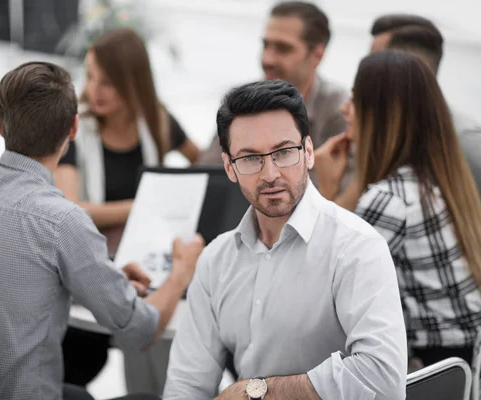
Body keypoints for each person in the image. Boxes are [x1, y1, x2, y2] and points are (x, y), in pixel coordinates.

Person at [0, 61, 204, 400]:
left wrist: (105, 277)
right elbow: (141, 330)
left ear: (0, 124)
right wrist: (182, 269)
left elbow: (10, 274)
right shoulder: (63, 220)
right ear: (74, 128)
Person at [163, 80, 407, 400]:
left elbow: (383, 377)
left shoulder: (357, 247)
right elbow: (186, 386)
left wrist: (259, 393)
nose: (270, 174)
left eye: (283, 152)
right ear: (229, 167)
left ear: (307, 152)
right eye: (250, 158)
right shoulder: (215, 260)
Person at [54, 27, 200, 390]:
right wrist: (143, 205)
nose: (93, 89)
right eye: (90, 76)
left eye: (108, 81)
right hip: (92, 272)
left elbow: (204, 163)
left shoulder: (156, 120)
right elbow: (70, 209)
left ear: (133, 82)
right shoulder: (75, 129)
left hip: (151, 265)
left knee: (171, 347)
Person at [315, 50, 481, 368]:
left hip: (430, 370)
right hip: (464, 364)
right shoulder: (432, 179)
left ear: (380, 114)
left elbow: (322, 282)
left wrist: (327, 191)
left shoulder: (390, 200)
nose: (344, 109)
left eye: (355, 99)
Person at [197, 1, 348, 167]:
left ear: (316, 55)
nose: (267, 59)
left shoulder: (339, 110)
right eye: (265, 45)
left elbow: (334, 187)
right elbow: (209, 173)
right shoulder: (242, 102)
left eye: (283, 48)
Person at [368, 14, 481, 193]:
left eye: (375, 63)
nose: (366, 73)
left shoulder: (466, 140)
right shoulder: (384, 133)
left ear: (409, 71)